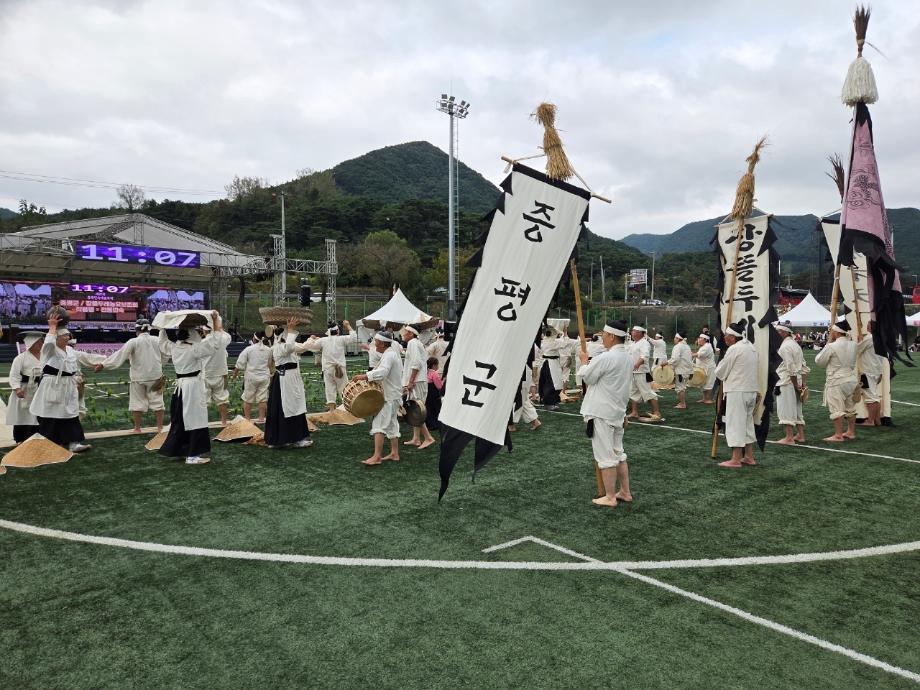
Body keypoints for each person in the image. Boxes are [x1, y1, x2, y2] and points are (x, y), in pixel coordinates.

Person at [158, 312, 227, 464]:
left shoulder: (175, 347)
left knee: (182, 419)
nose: (199, 334)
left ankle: (180, 449)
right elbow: (215, 345)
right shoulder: (194, 349)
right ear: (192, 335)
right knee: (196, 419)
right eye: (196, 332)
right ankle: (193, 455)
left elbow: (162, 343)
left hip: (181, 387)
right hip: (192, 387)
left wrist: (164, 325)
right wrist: (215, 323)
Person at [578, 319, 633, 508]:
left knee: (605, 456)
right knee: (619, 453)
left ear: (611, 336)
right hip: (617, 410)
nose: (602, 337)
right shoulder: (627, 357)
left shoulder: (606, 357)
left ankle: (610, 496)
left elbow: (588, 377)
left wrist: (584, 362)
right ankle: (624, 492)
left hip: (602, 412)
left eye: (604, 334)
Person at [29, 316, 105, 452]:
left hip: (69, 385)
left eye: (67, 335)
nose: (67, 337)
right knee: (51, 415)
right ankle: (50, 444)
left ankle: (73, 443)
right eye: (64, 335)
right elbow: (48, 343)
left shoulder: (70, 351)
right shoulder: (49, 350)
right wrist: (52, 327)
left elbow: (86, 357)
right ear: (56, 338)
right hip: (52, 385)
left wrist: (103, 362)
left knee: (70, 413)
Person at [101, 319, 167, 433]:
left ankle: (137, 428)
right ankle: (160, 427)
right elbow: (166, 355)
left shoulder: (133, 341)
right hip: (155, 376)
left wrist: (104, 364)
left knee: (137, 402)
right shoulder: (157, 340)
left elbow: (120, 355)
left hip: (138, 377)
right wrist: (160, 364)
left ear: (137, 330)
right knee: (158, 402)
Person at [352, 332, 403, 465]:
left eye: (376, 341)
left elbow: (383, 372)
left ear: (381, 343)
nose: (374, 343)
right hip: (393, 395)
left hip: (390, 397)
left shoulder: (390, 355)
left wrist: (365, 376)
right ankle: (394, 453)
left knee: (379, 424)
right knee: (391, 424)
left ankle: (377, 457)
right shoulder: (389, 353)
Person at [264, 316, 314, 450]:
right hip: (283, 381)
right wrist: (291, 329)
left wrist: (311, 340)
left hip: (291, 380)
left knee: (295, 407)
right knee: (284, 409)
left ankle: (296, 438)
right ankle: (281, 439)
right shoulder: (278, 347)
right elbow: (288, 347)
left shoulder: (287, 345)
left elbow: (301, 347)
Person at [714, 322, 759, 468]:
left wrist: (721, 362)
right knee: (747, 424)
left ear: (733, 337)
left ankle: (735, 459)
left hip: (737, 390)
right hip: (751, 390)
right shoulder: (751, 347)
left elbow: (720, 372)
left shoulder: (734, 349)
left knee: (736, 423)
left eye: (727, 335)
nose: (725, 338)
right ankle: (749, 456)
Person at [815, 322, 858, 442]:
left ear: (837, 332)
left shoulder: (831, 346)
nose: (831, 333)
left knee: (836, 408)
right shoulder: (854, 344)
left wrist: (828, 343)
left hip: (836, 380)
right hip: (850, 379)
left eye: (833, 331)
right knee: (850, 407)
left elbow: (819, 361)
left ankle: (838, 435)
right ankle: (850, 432)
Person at [303, 320, 357, 411]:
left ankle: (332, 410)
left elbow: (310, 347)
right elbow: (353, 338)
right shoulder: (341, 339)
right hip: (339, 368)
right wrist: (348, 325)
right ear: (338, 331)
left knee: (329, 388)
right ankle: (347, 409)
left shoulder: (323, 340)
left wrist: (311, 338)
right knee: (343, 388)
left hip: (328, 369)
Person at [6, 331, 44, 443]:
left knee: (38, 414)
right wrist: (17, 388)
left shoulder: (45, 356)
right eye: (38, 342)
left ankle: (36, 438)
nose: (41, 344)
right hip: (24, 389)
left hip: (39, 388)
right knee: (22, 415)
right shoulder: (20, 358)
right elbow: (14, 375)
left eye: (41, 341)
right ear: (31, 343)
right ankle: (20, 439)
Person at [402, 325, 436, 449]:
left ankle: (428, 438)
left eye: (405, 332)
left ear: (411, 333)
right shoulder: (415, 343)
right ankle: (416, 438)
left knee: (416, 409)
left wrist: (411, 381)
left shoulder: (413, 343)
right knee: (414, 409)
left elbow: (416, 363)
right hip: (418, 380)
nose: (403, 334)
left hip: (417, 381)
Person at [773, 324, 808, 444]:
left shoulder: (785, 347)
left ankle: (789, 438)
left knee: (786, 408)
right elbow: (803, 366)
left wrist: (795, 385)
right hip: (795, 380)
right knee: (797, 409)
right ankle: (800, 435)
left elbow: (790, 368)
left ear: (784, 332)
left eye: (777, 331)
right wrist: (802, 384)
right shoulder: (795, 345)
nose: (776, 334)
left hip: (787, 382)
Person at [231, 330, 272, 423]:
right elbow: (269, 364)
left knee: (248, 398)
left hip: (251, 377)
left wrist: (234, 374)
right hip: (264, 377)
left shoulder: (249, 349)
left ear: (254, 338)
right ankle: (261, 419)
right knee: (263, 398)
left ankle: (248, 419)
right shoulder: (268, 350)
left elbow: (239, 363)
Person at [200, 323, 232, 426]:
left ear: (205, 331)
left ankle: (203, 423)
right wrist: (219, 328)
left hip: (206, 374)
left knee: (204, 401)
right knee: (222, 399)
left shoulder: (202, 342)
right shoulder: (223, 340)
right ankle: (224, 422)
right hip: (220, 374)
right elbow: (227, 336)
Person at [627, 326, 661, 420]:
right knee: (633, 392)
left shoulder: (644, 343)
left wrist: (637, 364)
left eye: (635, 331)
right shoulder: (633, 343)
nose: (632, 333)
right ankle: (634, 412)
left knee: (648, 393)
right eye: (633, 331)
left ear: (640, 333)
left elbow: (645, 355)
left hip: (642, 372)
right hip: (633, 372)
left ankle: (656, 413)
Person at [856, 323, 885, 427]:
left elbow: (857, 349)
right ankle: (877, 420)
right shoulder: (881, 338)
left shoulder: (869, 338)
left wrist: (859, 341)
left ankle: (870, 421)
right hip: (877, 370)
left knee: (871, 397)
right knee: (875, 396)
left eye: (869, 324)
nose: (867, 326)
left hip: (868, 371)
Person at [538, 328, 565, 409]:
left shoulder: (545, 341)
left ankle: (551, 401)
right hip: (551, 364)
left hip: (548, 363)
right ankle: (549, 403)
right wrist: (563, 332)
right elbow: (563, 343)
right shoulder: (552, 343)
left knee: (547, 382)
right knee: (552, 383)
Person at [666, 333, 694, 409]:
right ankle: (682, 402)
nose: (674, 339)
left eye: (675, 338)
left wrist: (667, 363)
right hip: (687, 370)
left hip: (681, 371)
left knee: (680, 388)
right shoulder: (687, 346)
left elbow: (675, 359)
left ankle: (682, 404)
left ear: (678, 339)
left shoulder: (678, 346)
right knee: (682, 387)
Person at [693, 334, 717, 404]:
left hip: (709, 368)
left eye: (701, 338)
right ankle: (704, 398)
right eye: (699, 337)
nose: (699, 339)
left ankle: (708, 399)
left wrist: (688, 354)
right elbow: (698, 353)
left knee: (708, 384)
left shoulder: (707, 347)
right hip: (703, 368)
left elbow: (698, 355)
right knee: (703, 384)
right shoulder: (703, 346)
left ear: (705, 340)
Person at [424, 356, 443, 431]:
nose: (438, 366)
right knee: (436, 409)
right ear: (434, 365)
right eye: (437, 365)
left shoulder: (426, 372)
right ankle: (435, 424)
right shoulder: (434, 373)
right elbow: (439, 386)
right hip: (434, 394)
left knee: (428, 409)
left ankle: (429, 424)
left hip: (427, 394)